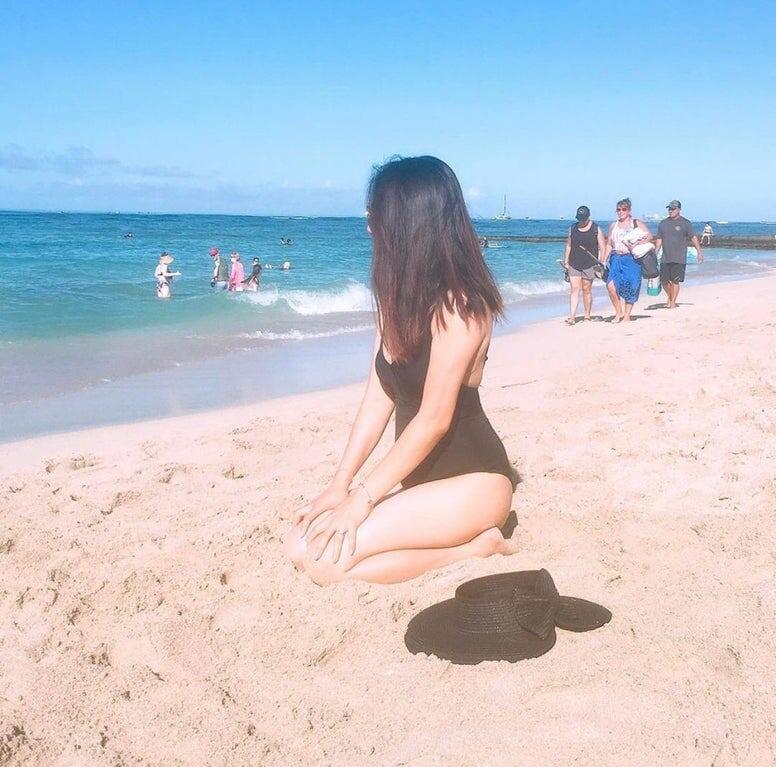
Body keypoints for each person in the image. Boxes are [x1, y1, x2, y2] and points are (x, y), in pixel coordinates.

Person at [287, 156, 517, 586]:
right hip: (419, 485)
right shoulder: (398, 299)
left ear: (408, 222)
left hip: (476, 483)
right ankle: (463, 543)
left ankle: (476, 547)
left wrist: (362, 499)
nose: (368, 223)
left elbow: (433, 419)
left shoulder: (460, 307)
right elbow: (378, 398)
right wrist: (340, 485)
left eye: (375, 212)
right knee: (299, 545)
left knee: (323, 563)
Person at [603, 198, 652, 322]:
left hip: (631, 259)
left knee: (631, 286)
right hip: (615, 258)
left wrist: (637, 243)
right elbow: (609, 244)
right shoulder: (613, 225)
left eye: (623, 209)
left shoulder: (636, 223)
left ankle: (627, 315)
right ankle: (618, 312)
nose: (621, 212)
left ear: (629, 210)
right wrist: (604, 259)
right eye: (618, 209)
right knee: (611, 285)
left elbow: (649, 236)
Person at [562, 205, 606, 324]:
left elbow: (602, 246)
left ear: (588, 217)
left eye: (583, 218)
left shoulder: (596, 229)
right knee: (574, 290)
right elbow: (569, 245)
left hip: (590, 264)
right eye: (579, 218)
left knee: (586, 289)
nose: (581, 221)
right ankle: (572, 317)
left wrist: (601, 262)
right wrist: (566, 261)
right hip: (574, 263)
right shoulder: (572, 228)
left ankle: (587, 316)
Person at [655, 200, 704, 309]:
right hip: (665, 257)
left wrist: (699, 252)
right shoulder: (663, 223)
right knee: (663, 281)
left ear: (679, 210)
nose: (670, 211)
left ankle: (672, 302)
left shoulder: (686, 223)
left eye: (673, 209)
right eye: (669, 209)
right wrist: (655, 252)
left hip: (679, 257)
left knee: (675, 281)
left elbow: (693, 237)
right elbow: (659, 239)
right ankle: (670, 297)